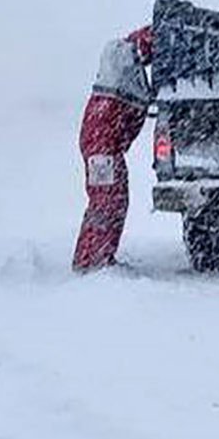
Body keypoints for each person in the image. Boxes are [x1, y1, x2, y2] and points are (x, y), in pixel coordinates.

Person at [72, 26, 154, 271]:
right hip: (102, 148)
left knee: (112, 200)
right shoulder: (121, 58)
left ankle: (97, 257)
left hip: (104, 146)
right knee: (107, 200)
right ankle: (91, 261)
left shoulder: (123, 70)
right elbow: (137, 48)